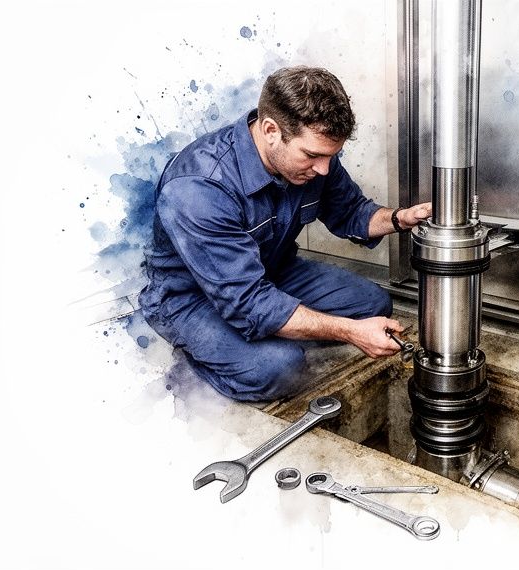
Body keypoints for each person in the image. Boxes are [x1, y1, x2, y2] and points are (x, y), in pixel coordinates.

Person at [139, 66, 431, 402]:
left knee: (373, 304)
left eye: (330, 157)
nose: (323, 168)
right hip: (189, 298)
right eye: (312, 156)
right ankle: (201, 360)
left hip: (270, 272)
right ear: (271, 130)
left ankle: (272, 331)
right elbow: (248, 302)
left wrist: (399, 218)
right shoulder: (200, 187)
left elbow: (350, 211)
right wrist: (350, 332)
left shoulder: (313, 159)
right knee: (281, 368)